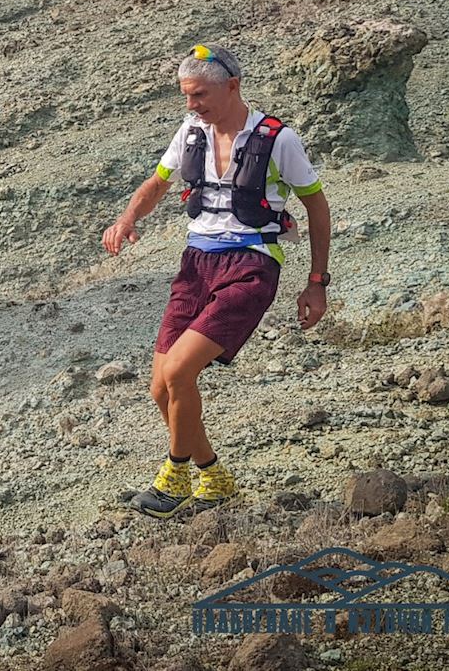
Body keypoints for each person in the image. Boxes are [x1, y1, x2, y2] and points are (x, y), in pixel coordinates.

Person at [101, 44, 331, 519]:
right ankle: (215, 478)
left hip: (251, 264)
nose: (191, 106)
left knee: (180, 372)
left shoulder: (278, 139)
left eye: (199, 95)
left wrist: (316, 282)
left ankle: (174, 476)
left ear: (232, 86)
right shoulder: (190, 132)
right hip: (195, 265)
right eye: (187, 96)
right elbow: (158, 184)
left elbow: (317, 206)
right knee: (160, 389)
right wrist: (127, 218)